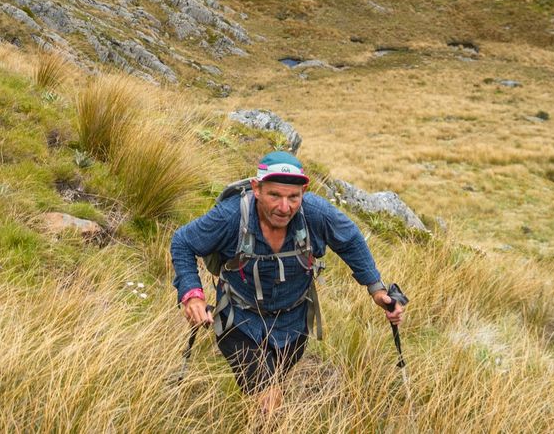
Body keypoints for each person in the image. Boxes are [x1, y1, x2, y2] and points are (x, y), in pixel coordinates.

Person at [170, 151, 405, 411]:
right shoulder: (231, 216)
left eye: (293, 197)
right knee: (268, 401)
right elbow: (183, 242)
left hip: (293, 324)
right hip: (238, 321)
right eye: (275, 195)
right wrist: (192, 294)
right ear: (256, 188)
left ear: (304, 191)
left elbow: (350, 241)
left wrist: (377, 291)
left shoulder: (316, 214)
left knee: (273, 384)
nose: (285, 207)